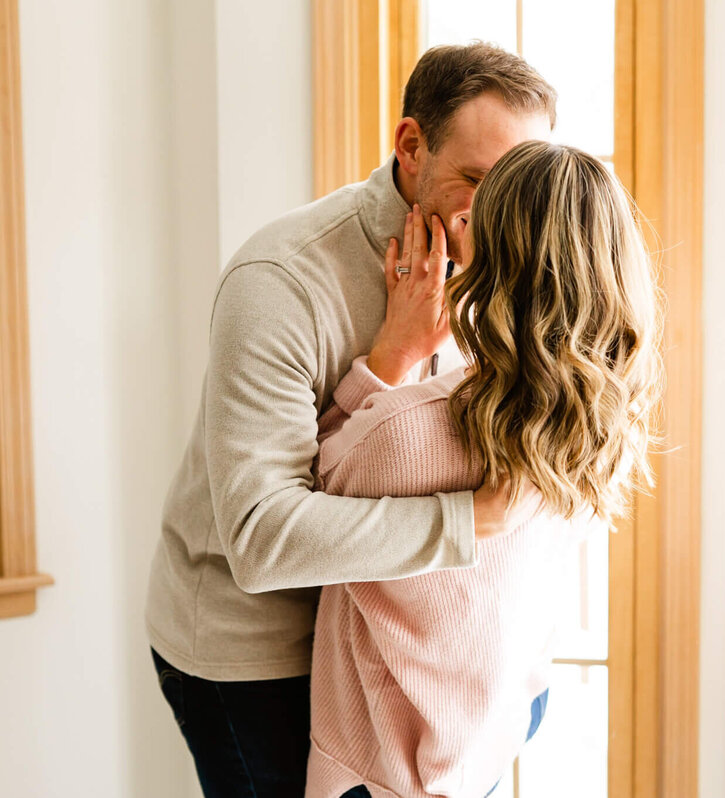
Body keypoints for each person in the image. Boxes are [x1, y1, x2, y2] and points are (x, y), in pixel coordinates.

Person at [145, 43, 557, 798]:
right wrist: (472, 516)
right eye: (476, 180)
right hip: (266, 654)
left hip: (418, 643)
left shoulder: (513, 255)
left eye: (519, 186)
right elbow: (264, 540)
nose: (500, 216)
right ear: (410, 146)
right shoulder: (280, 282)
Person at [304, 140, 662, 798]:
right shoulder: (597, 421)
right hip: (491, 737)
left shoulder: (407, 429)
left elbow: (317, 475)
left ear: (488, 260)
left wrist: (395, 351)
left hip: (386, 768)